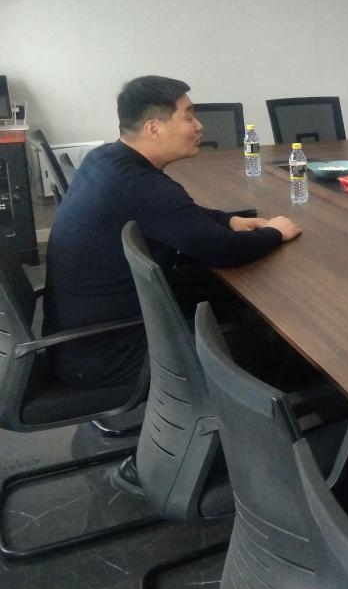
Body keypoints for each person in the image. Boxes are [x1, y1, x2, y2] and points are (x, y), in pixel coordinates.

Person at [43, 76, 302, 391]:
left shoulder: (106, 159)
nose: (199, 126)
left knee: (224, 294)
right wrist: (275, 233)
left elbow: (175, 214)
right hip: (113, 353)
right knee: (276, 355)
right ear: (154, 128)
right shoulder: (142, 185)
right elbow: (224, 251)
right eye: (189, 117)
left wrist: (229, 220)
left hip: (89, 335)